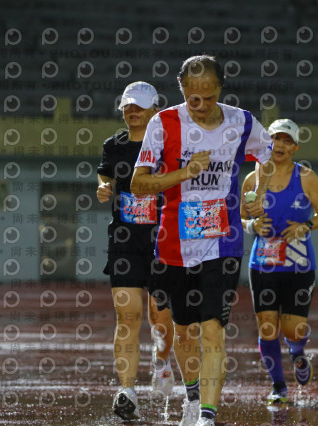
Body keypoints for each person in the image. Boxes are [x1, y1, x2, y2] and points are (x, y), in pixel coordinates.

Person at [130, 55, 274, 426]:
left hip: (222, 241)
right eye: (193, 98)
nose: (201, 105)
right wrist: (184, 173)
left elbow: (267, 156)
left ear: (220, 89)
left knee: (213, 330)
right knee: (184, 332)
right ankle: (192, 396)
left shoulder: (242, 122)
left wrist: (258, 191)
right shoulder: (163, 124)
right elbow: (138, 184)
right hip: (174, 244)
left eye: (209, 97)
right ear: (181, 90)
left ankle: (206, 416)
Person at [96, 81, 175, 421]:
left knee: (160, 316)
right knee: (127, 316)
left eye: (140, 106)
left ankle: (162, 358)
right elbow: (104, 178)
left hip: (163, 241)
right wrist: (103, 188)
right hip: (124, 241)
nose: (132, 111)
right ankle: (127, 391)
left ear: (155, 110)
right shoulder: (113, 146)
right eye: (128, 105)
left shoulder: (169, 145)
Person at [240, 118, 318, 405]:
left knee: (293, 329)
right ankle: (278, 385)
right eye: (275, 139)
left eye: (286, 141)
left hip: (298, 264)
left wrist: (306, 226)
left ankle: (297, 352)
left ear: (295, 148)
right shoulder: (253, 179)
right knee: (267, 327)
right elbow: (240, 217)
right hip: (263, 264)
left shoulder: (306, 177)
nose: (279, 145)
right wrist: (252, 226)